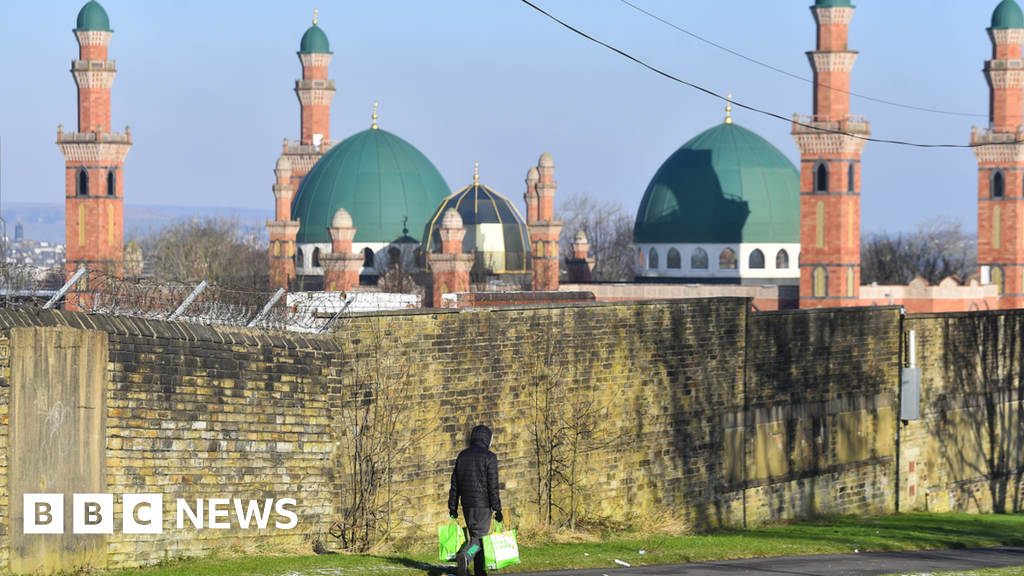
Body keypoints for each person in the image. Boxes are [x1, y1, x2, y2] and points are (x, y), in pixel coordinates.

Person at [448, 425, 503, 576]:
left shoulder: (462, 455)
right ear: (488, 439)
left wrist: (452, 507)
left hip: (467, 506)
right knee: (479, 539)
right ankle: (465, 556)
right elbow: (493, 487)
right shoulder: (489, 457)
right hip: (483, 507)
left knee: (476, 537)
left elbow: (455, 485)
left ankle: (480, 571)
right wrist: (497, 509)